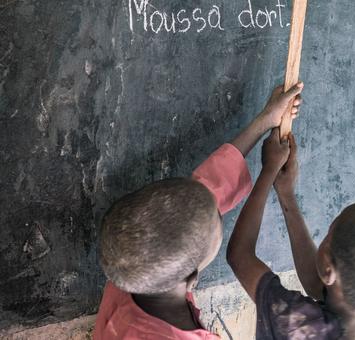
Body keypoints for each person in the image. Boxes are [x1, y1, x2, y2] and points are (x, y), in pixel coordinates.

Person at [93, 83, 304, 340]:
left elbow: (205, 189)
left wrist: (265, 119)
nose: (217, 206)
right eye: (218, 218)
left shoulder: (132, 267)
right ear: (193, 277)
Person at [227, 131, 355, 340]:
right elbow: (320, 284)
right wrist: (286, 192)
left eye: (332, 228)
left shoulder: (297, 327)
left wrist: (269, 169)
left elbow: (239, 255)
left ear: (327, 263)